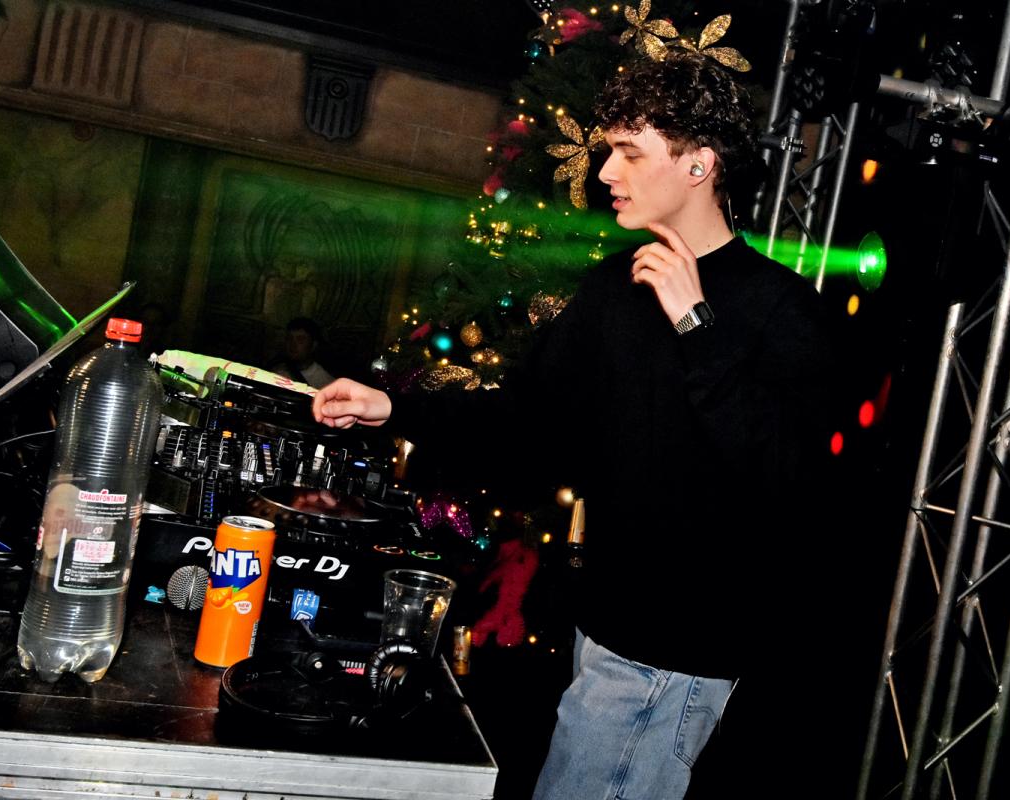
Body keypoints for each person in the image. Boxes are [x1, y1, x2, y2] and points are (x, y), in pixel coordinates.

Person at [313, 52, 832, 799]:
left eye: (630, 152)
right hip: (604, 632)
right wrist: (396, 407)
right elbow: (529, 425)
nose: (607, 172)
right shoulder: (613, 290)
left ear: (699, 165)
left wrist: (697, 324)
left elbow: (788, 479)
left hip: (673, 656)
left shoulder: (780, 308)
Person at [272, 317, 334, 389]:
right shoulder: (277, 368)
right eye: (289, 338)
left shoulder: (325, 383)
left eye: (300, 340)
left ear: (313, 345)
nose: (293, 344)